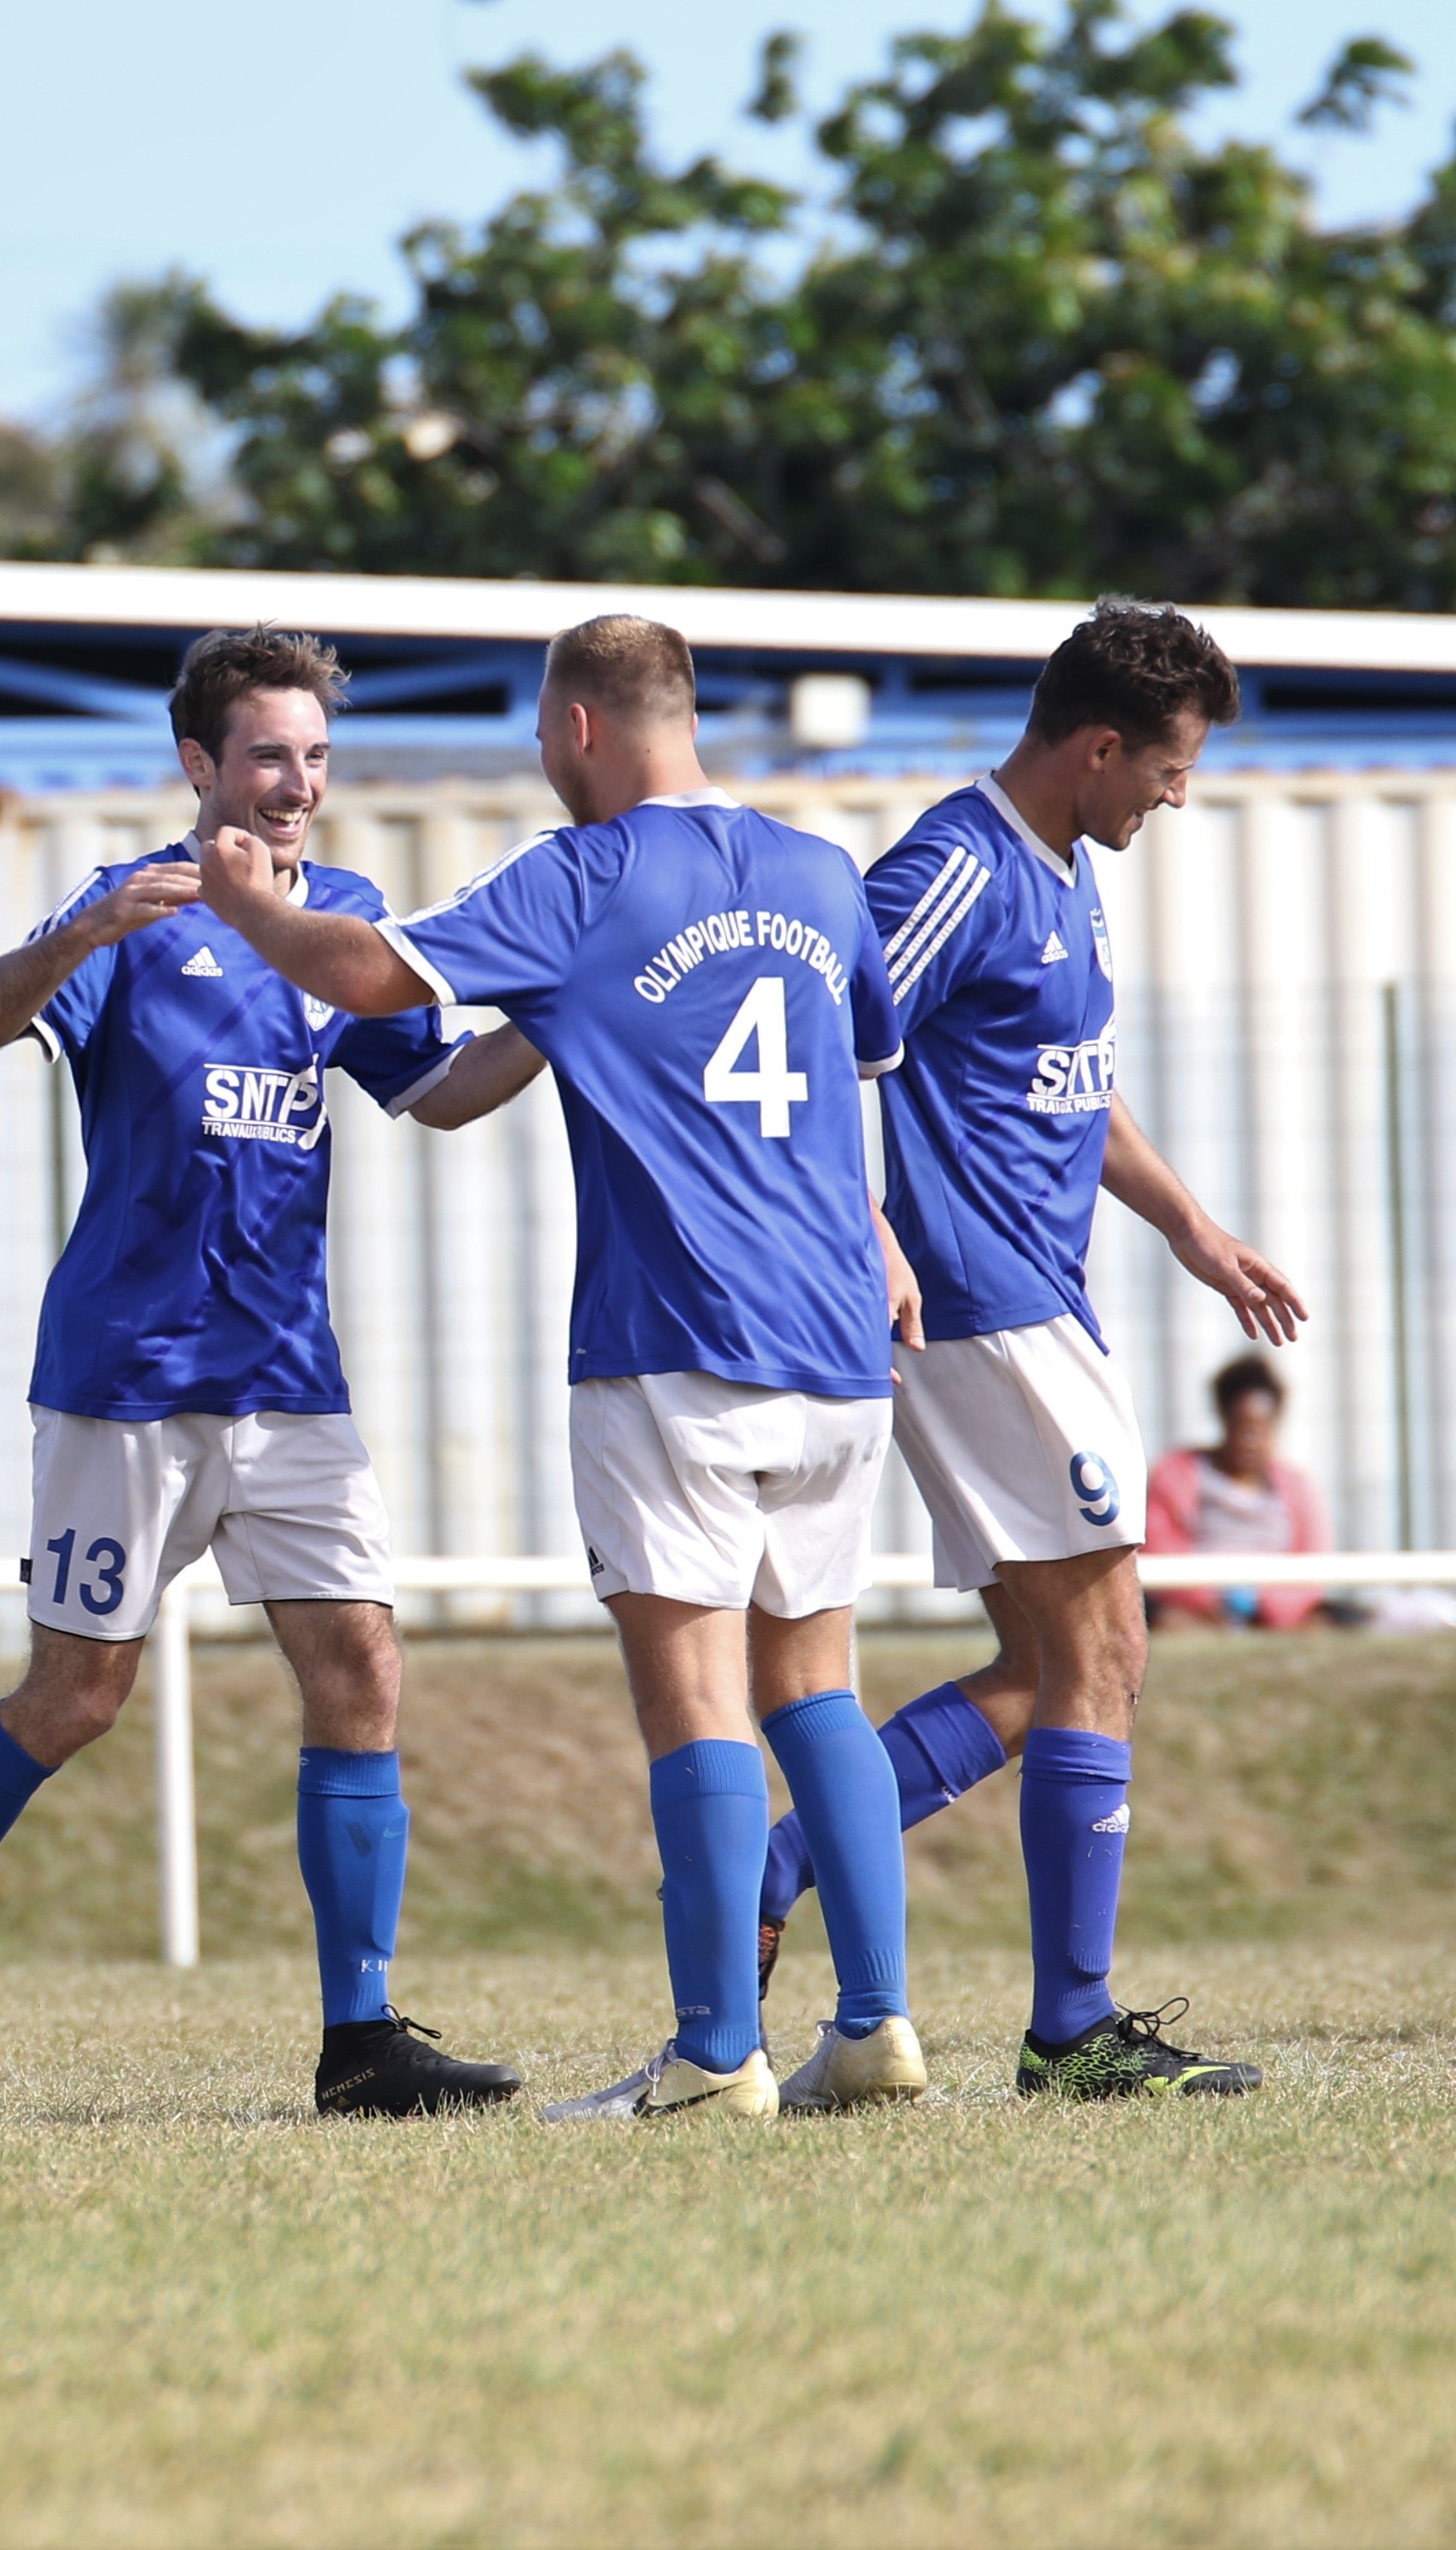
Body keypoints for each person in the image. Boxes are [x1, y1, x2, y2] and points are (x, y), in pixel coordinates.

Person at [197, 611, 929, 2124]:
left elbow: (368, 975)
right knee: (818, 1684)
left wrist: (252, 909)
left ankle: (716, 2053)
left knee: (698, 1701)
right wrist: (871, 1228)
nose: (542, 758)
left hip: (676, 1339)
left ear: (581, 726)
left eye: (542, 733)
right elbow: (838, 1077)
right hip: (838, 1342)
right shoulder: (819, 871)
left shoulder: (584, 874)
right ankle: (874, 2025)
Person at [0, 624, 541, 2126]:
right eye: (268, 755)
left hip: (288, 1378)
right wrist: (77, 937)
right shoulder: (131, 908)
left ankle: (360, 2037)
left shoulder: (344, 920)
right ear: (198, 763)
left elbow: (441, 1091)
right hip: (127, 1378)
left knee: (359, 1668)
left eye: (316, 756)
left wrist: (560, 1013)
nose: (297, 784)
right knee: (75, 1698)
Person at [851, 599, 1297, 2101]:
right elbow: (814, 1045)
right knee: (1107, 1648)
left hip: (1039, 1297)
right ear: (1099, 748)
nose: (1175, 799)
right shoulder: (953, 867)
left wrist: (1192, 1229)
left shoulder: (1059, 868)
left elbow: (1071, 1086)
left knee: (1046, 1667)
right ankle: (1071, 2030)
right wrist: (869, 1229)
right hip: (980, 1304)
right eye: (1169, 772)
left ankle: (782, 1869)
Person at [1143, 1353, 1330, 1630]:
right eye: (1241, 1426)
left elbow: (1312, 1563)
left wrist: (1265, 1604)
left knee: (1322, 1626)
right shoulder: (1175, 1474)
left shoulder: (1297, 1486)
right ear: (1223, 1419)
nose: (1250, 1440)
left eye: (1261, 1428)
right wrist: (1213, 1599)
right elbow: (1160, 1549)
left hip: (1277, 1617)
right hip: (1197, 1613)